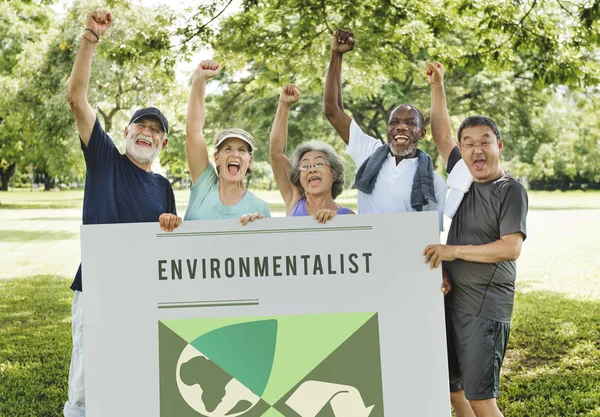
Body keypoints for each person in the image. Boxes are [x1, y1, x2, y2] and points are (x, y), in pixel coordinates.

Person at [64, 9, 176, 417]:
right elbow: (77, 98)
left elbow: (168, 242)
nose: (146, 132)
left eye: (155, 130)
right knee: (85, 381)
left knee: (133, 375)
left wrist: (170, 226)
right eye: (140, 126)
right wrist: (91, 39)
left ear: (162, 144)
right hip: (96, 285)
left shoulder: (163, 188)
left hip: (141, 292)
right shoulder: (105, 158)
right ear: (126, 132)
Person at [423, 62, 528, 417]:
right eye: (468, 144)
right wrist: (438, 84)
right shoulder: (462, 176)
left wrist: (452, 251)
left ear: (499, 145)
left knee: (482, 400)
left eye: (485, 142)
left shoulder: (509, 190)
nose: (475, 150)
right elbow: (441, 134)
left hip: (485, 309)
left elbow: (510, 247)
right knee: (456, 392)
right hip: (451, 302)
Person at [323, 29, 447, 231]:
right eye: (395, 122)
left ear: (422, 133)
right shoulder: (370, 153)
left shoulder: (435, 183)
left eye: (410, 123)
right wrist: (336, 55)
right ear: (388, 129)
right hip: (367, 257)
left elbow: (430, 237)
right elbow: (332, 111)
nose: (401, 126)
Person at [158, 60, 270, 232]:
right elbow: (194, 132)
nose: (235, 155)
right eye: (228, 149)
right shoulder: (205, 183)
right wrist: (199, 80)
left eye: (242, 150)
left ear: (250, 160)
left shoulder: (259, 207)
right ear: (217, 158)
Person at [269, 84, 354, 223]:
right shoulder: (294, 199)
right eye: (306, 166)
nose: (312, 169)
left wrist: (334, 222)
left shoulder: (348, 216)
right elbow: (276, 153)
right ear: (300, 178)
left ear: (334, 174)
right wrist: (284, 104)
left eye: (319, 163)